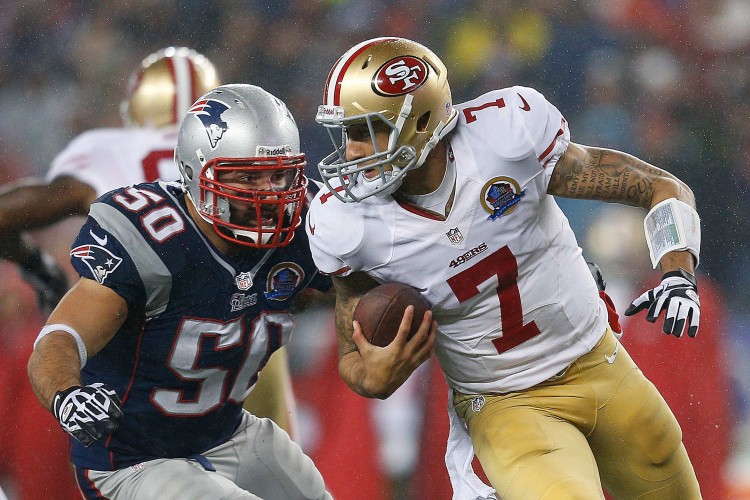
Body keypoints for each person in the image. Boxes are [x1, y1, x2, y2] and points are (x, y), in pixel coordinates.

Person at [306, 37, 703, 499]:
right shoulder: (348, 224)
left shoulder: (506, 136)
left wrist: (677, 271)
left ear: (419, 121)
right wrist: (370, 377)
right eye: (347, 133)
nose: (351, 152)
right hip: (505, 401)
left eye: (365, 130)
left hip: (600, 359)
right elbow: (353, 354)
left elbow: (658, 186)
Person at [27, 83, 332, 500]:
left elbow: (367, 289)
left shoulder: (306, 222)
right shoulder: (150, 238)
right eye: (246, 177)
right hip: (132, 459)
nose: (270, 194)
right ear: (196, 173)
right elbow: (60, 338)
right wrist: (67, 394)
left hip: (226, 430)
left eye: (280, 175)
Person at [0, 46, 297, 433]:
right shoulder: (245, 153)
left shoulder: (108, 149)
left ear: (136, 110)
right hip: (249, 335)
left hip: (150, 354)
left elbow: (6, 217)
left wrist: (35, 264)